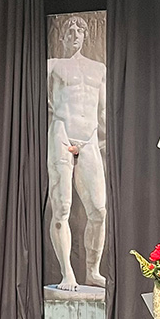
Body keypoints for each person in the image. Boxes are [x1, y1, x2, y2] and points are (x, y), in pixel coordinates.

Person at [47, 15, 107, 291]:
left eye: (78, 31)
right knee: (62, 207)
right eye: (69, 32)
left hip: (89, 137)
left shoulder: (98, 69)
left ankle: (93, 271)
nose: (74, 35)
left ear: (85, 36)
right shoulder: (53, 65)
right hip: (62, 132)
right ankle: (67, 273)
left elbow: (103, 111)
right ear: (62, 37)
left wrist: (100, 141)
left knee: (99, 210)